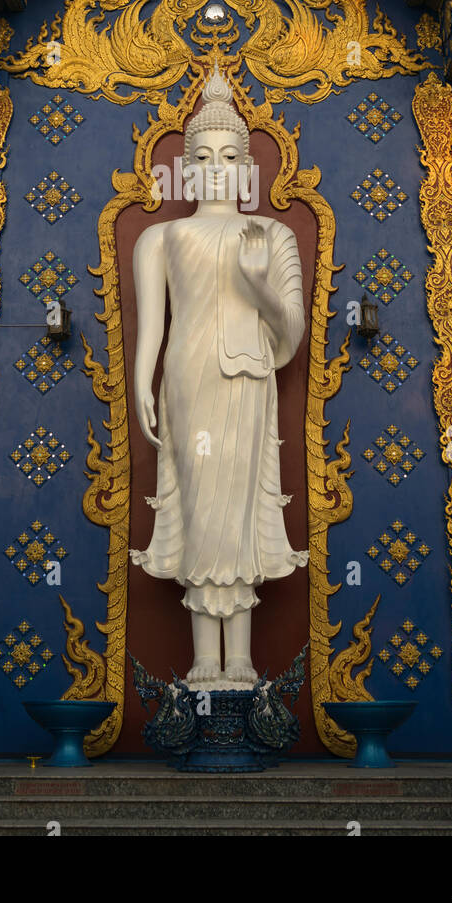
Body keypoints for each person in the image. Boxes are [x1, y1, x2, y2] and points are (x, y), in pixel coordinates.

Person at [130, 65, 307, 688]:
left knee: (238, 509)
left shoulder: (273, 235)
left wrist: (259, 283)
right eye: (202, 156)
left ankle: (243, 663)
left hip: (247, 376)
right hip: (187, 376)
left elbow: (292, 337)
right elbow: (152, 329)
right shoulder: (161, 237)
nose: (216, 166)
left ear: (248, 167)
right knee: (201, 506)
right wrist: (140, 384)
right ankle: (207, 660)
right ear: (185, 166)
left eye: (230, 155)